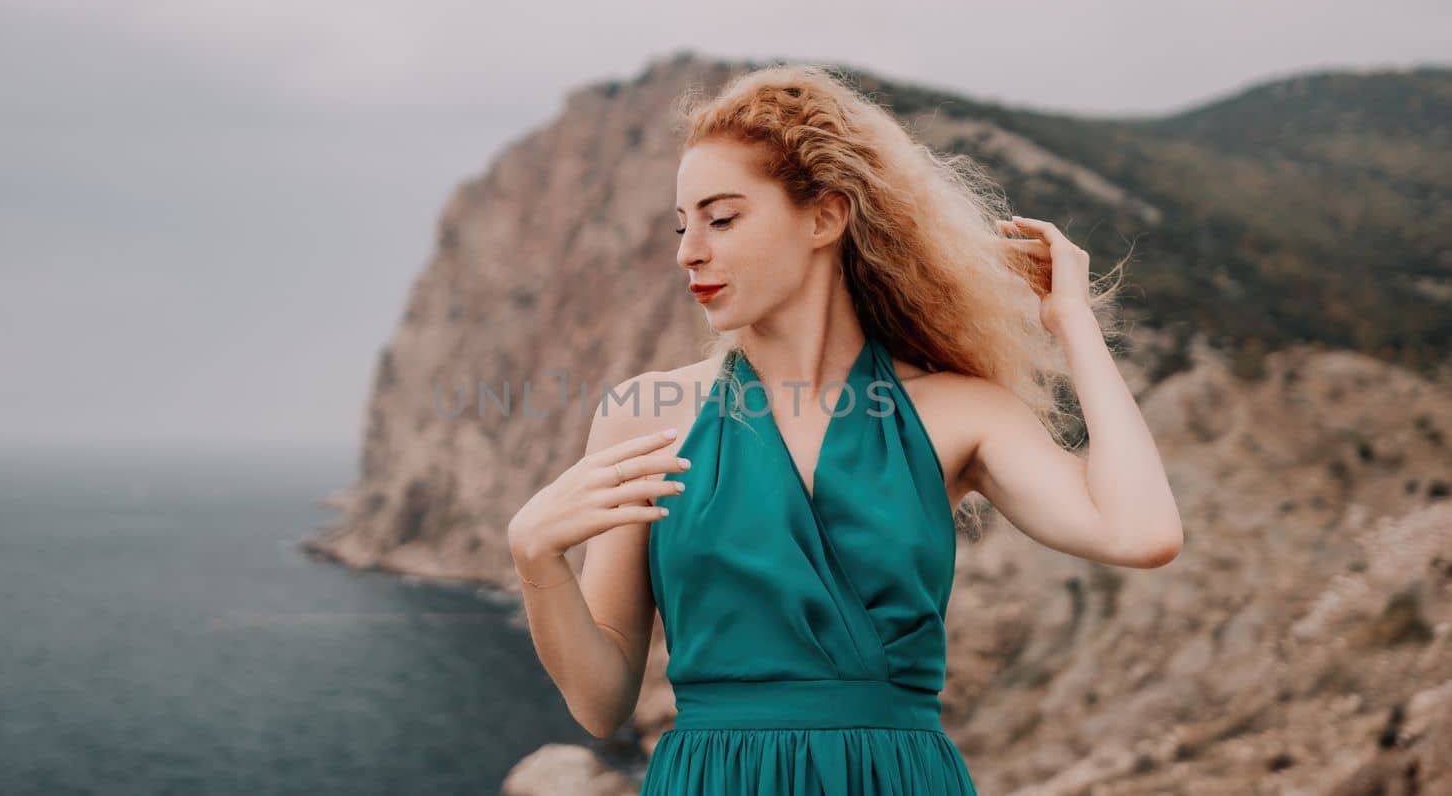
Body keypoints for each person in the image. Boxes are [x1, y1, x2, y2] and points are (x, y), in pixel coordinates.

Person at [507, 62, 1183, 795]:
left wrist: (1072, 323)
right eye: (683, 225)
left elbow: (1139, 533)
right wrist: (536, 559)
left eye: (722, 218)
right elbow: (603, 702)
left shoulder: (957, 412)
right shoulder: (646, 414)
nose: (688, 251)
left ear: (825, 218)